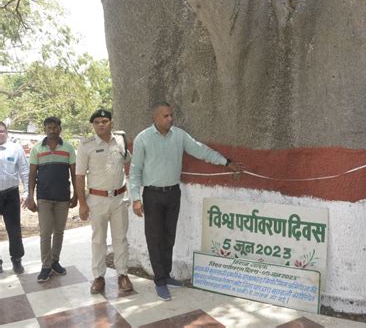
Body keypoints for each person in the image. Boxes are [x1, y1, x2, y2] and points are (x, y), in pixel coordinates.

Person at [129, 102, 244, 301]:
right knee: (154, 238)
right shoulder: (143, 139)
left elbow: (201, 150)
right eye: (165, 116)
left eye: (171, 115)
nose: (170, 119)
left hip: (173, 193)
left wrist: (226, 162)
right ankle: (159, 281)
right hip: (152, 195)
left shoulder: (179, 136)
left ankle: (166, 274)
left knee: (169, 236)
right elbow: (135, 170)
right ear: (155, 118)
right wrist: (136, 199)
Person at [76, 109, 133, 294]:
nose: (102, 124)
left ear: (111, 123)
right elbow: (79, 176)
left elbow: (127, 161)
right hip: (97, 199)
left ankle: (123, 275)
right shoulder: (86, 145)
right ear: (93, 125)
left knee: (121, 239)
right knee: (98, 240)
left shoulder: (121, 140)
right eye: (98, 122)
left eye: (105, 121)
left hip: (119, 198)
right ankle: (98, 277)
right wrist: (82, 203)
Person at [26, 117, 77, 282]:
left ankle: (55, 261)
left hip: (62, 197)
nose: (52, 130)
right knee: (45, 232)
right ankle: (46, 266)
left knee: (60, 232)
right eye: (49, 128)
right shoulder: (37, 149)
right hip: (44, 198)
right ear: (45, 130)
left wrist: (76, 194)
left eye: (55, 128)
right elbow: (33, 174)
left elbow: (74, 174)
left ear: (60, 129)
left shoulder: (68, 148)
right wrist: (30, 196)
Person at [0, 122, 29, 274]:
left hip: (11, 194)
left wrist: (27, 193)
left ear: (7, 132)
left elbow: (24, 171)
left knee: (14, 229)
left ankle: (17, 260)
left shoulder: (15, 148)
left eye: (2, 131)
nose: (0, 134)